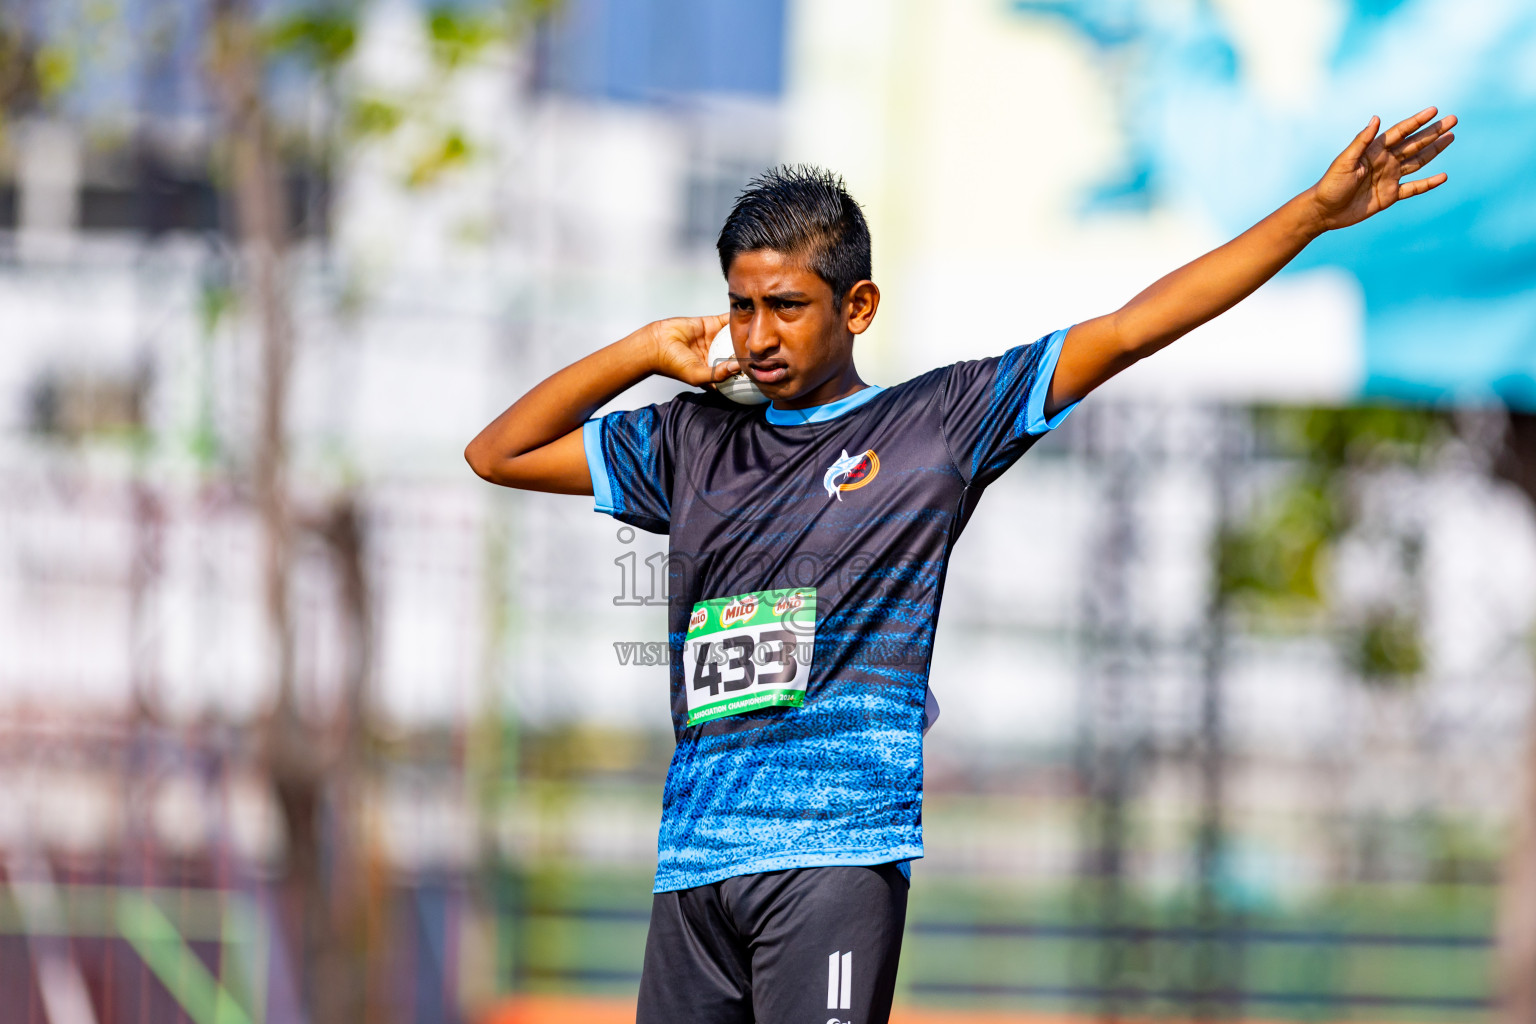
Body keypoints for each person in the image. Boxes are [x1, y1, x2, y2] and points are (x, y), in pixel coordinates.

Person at [465, 107, 1455, 1024]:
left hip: (835, 857)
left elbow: (1134, 327)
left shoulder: (936, 424)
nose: (758, 335)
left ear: (858, 304)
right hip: (691, 870)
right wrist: (643, 350)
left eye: (787, 306)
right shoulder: (691, 442)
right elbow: (497, 453)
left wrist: (1312, 218)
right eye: (741, 306)